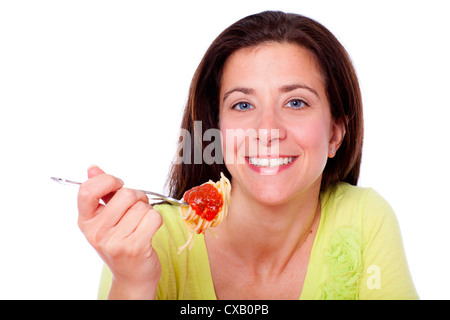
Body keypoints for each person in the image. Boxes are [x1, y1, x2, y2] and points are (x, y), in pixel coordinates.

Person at [77, 11, 418, 299]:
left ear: (335, 134)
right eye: (242, 104)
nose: (267, 130)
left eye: (296, 102)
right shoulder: (152, 241)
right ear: (218, 131)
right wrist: (133, 283)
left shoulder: (364, 219)